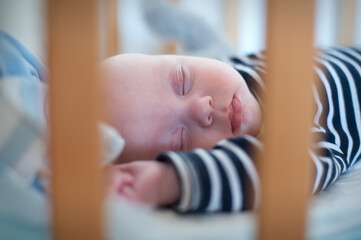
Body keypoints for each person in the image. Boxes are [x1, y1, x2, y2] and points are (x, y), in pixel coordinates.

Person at [105, 46, 361, 213]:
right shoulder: (304, 129)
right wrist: (168, 179)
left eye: (182, 81)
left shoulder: (232, 68)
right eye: (180, 141)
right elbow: (281, 172)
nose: (201, 109)